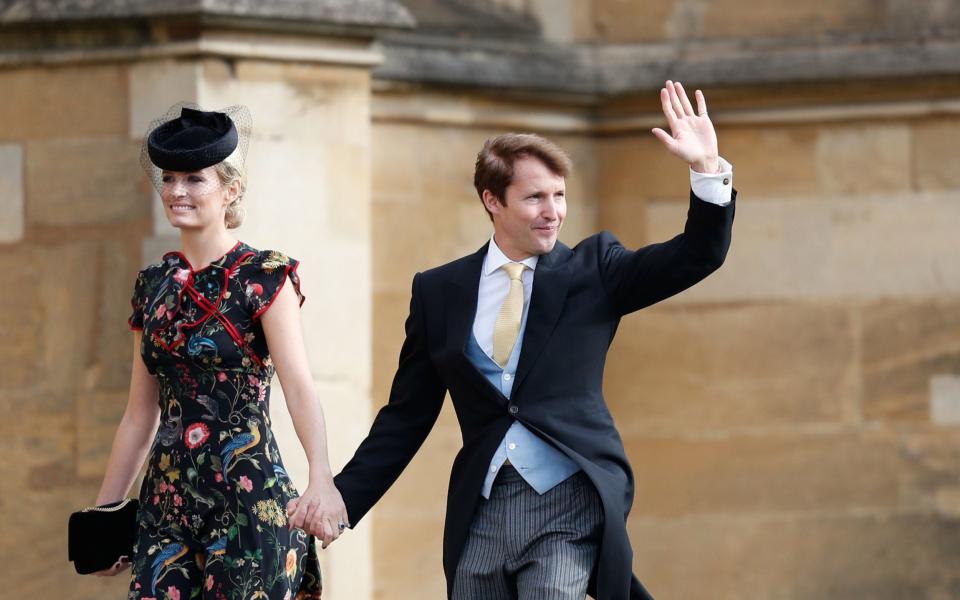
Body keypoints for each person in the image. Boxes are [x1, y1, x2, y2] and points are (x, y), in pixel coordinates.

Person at [333, 81, 735, 599]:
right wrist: (344, 499)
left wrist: (707, 170)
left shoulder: (596, 270)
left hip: (570, 500)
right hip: (483, 508)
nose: (553, 211)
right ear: (491, 200)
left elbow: (695, 256)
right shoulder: (438, 291)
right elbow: (407, 415)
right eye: (535, 197)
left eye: (560, 194)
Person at [90, 104, 347, 599]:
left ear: (230, 189)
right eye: (169, 178)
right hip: (165, 503)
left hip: (249, 500)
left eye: (194, 179)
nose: (177, 191)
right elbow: (139, 415)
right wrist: (106, 512)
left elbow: (298, 386)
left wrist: (321, 478)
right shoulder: (152, 286)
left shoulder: (266, 275)